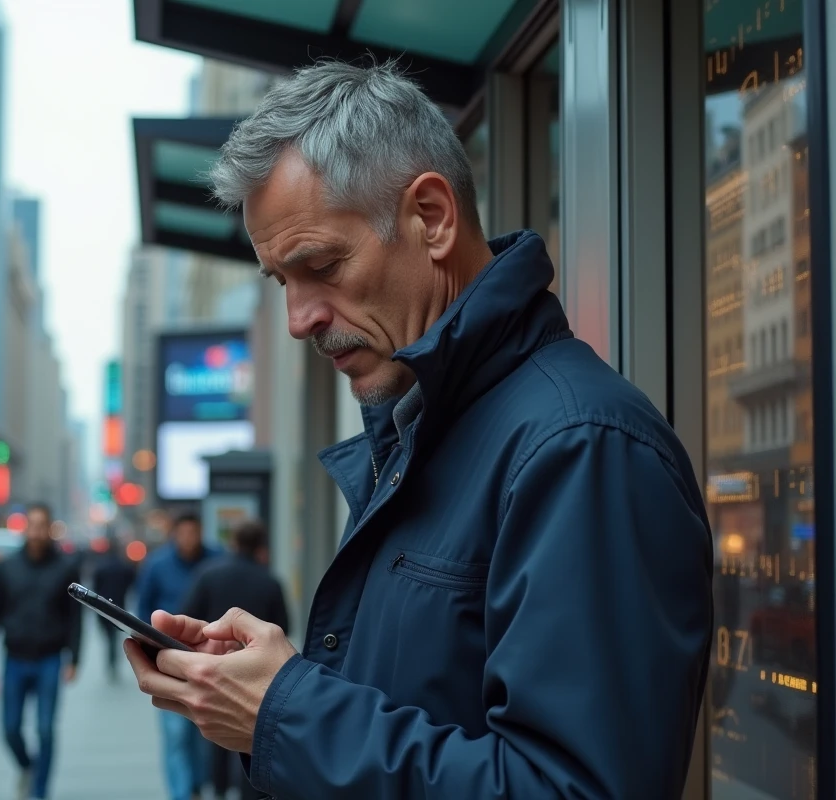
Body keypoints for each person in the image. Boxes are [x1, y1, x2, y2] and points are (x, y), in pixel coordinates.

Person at [124, 60, 713, 800]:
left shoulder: (583, 448)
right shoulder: (424, 430)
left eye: (321, 266)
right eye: (282, 281)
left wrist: (287, 711)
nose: (299, 318)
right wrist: (271, 691)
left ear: (432, 218)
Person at [0, 503, 81, 800]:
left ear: (50, 529)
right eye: (31, 525)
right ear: (25, 528)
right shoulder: (8, 567)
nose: (36, 531)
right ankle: (27, 766)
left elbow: (74, 618)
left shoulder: (65, 568)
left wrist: (74, 658)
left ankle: (39, 792)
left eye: (41, 525)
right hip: (15, 658)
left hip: (50, 658)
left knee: (46, 729)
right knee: (10, 729)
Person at [180, 520, 288, 800]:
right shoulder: (270, 581)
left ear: (234, 543)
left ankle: (217, 788)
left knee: (218, 732)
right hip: (258, 672)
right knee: (251, 735)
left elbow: (188, 615)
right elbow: (284, 627)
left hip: (216, 664)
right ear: (261, 547)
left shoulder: (208, 574)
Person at [136, 512, 219, 800]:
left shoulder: (216, 560)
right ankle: (181, 794)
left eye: (193, 533)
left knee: (205, 731)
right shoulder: (157, 564)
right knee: (175, 733)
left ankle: (197, 785)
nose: (188, 539)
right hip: (168, 659)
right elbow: (143, 607)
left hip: (208, 658)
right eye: (183, 533)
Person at [90, 535, 137, 681]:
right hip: (119, 606)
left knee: (109, 636)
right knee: (114, 637)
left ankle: (111, 661)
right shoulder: (124, 567)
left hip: (103, 607)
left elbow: (95, 587)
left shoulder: (100, 567)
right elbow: (132, 583)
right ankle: (113, 661)